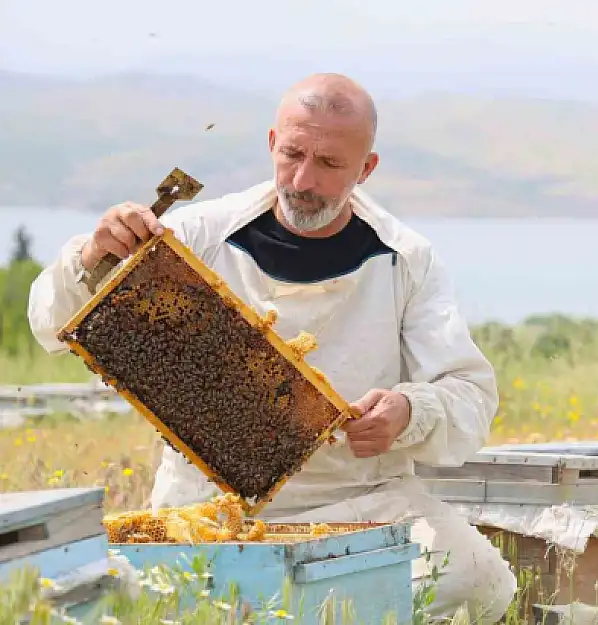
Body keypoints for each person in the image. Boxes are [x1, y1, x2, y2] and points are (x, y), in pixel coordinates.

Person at [26, 73, 517, 623]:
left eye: (330, 165)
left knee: (477, 580)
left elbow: (470, 393)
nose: (304, 180)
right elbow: (50, 318)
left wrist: (411, 411)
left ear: (367, 169)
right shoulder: (196, 233)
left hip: (361, 501)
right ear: (271, 144)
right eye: (292, 154)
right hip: (209, 509)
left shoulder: (407, 258)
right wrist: (93, 254)